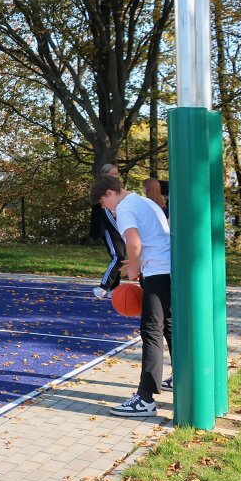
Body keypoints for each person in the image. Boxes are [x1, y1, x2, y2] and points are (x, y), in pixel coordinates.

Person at [90, 174, 173, 416]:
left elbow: (134, 244)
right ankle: (181, 379)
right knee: (167, 327)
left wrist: (134, 270)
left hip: (157, 271)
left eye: (103, 204)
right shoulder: (143, 201)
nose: (106, 209)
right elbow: (152, 239)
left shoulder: (125, 208)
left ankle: (145, 399)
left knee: (151, 331)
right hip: (165, 268)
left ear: (109, 194)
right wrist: (137, 262)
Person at [93, 163, 127, 300]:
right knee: (117, 257)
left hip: (119, 229)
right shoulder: (104, 196)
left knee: (120, 258)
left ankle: (113, 288)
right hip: (111, 230)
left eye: (117, 173)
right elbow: (109, 218)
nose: (116, 176)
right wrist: (122, 229)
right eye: (113, 174)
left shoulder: (118, 190)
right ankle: (103, 287)